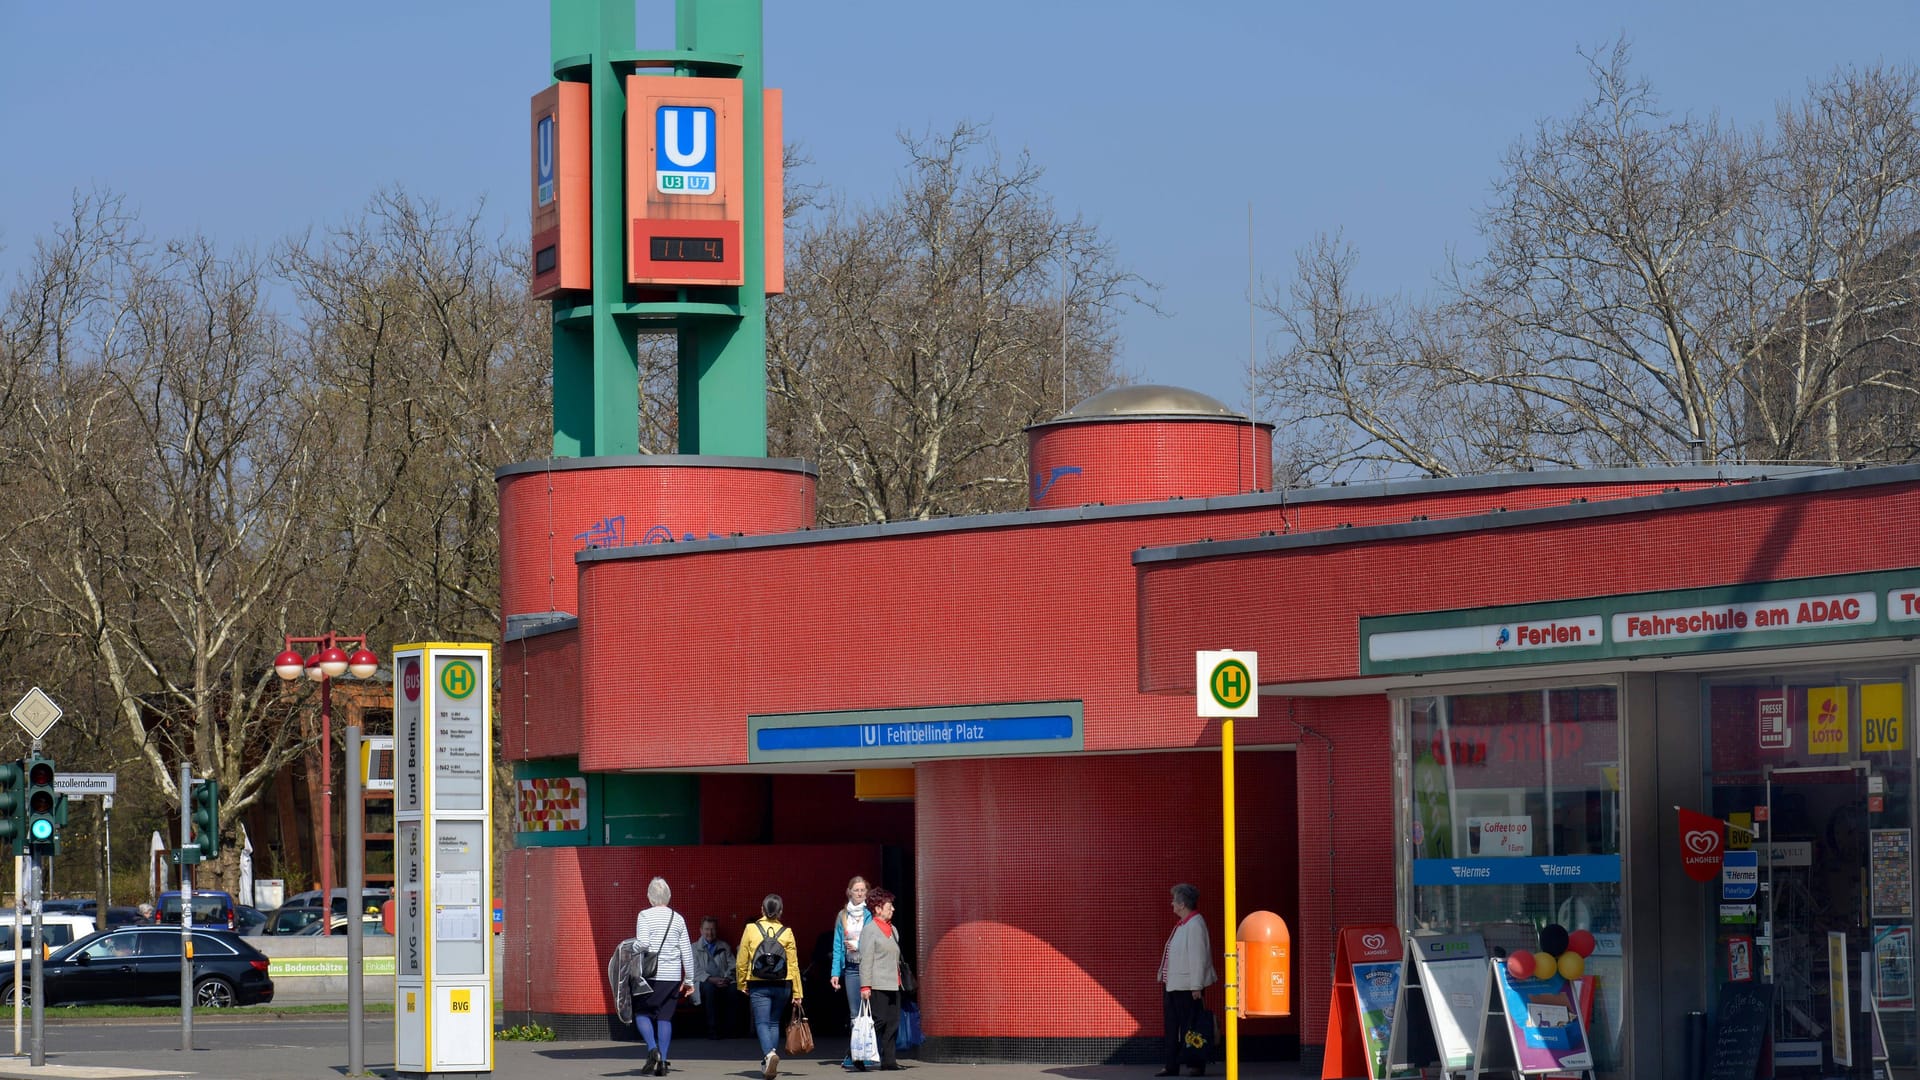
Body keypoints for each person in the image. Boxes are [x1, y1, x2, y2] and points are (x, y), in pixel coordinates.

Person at [632, 877, 696, 1077]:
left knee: (642, 1013)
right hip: (673, 976)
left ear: (650, 897)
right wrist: (690, 981)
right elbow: (687, 950)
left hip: (651, 975)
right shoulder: (678, 918)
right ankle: (664, 1061)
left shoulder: (644, 915)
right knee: (665, 1017)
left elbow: (642, 943)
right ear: (668, 896)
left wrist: (630, 947)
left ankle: (653, 1049)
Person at [738, 894, 804, 1080]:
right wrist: (798, 992)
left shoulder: (751, 929)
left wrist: (742, 982)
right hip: (783, 985)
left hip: (758, 983)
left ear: (762, 909)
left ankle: (769, 1055)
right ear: (780, 911)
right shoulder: (787, 932)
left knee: (761, 1022)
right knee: (774, 1022)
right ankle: (768, 1059)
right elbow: (793, 965)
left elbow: (742, 960)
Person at [1156, 883, 1217, 1078]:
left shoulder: (1195, 925)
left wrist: (1196, 985)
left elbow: (1198, 958)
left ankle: (1196, 1064)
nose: (1172, 904)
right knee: (1173, 1027)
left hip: (1187, 987)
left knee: (1192, 1026)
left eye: (1174, 900)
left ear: (1182, 904)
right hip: (1173, 985)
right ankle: (1171, 1065)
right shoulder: (1183, 925)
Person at [857, 887, 904, 1072]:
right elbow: (866, 959)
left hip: (894, 983)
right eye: (889, 906)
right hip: (877, 983)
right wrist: (865, 986)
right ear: (877, 908)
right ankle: (855, 1054)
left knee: (893, 1023)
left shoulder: (893, 930)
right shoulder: (870, 930)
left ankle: (889, 1061)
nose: (892, 909)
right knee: (877, 1022)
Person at [829, 876, 872, 1069]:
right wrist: (835, 973)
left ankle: (867, 1052)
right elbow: (838, 945)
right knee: (855, 1013)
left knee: (869, 1013)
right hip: (851, 969)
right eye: (856, 890)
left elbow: (872, 941)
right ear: (849, 892)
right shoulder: (843, 915)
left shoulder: (869, 914)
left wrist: (857, 945)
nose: (860, 893)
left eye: (863, 890)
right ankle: (855, 1054)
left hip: (868, 968)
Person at [695, 915, 738, 1038]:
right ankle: (712, 1029)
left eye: (712, 929)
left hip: (723, 981)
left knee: (734, 990)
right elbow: (695, 971)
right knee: (709, 988)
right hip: (703, 984)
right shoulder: (693, 948)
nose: (710, 932)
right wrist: (710, 979)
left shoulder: (724, 946)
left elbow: (733, 966)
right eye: (707, 929)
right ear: (701, 930)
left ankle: (731, 1030)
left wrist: (726, 978)